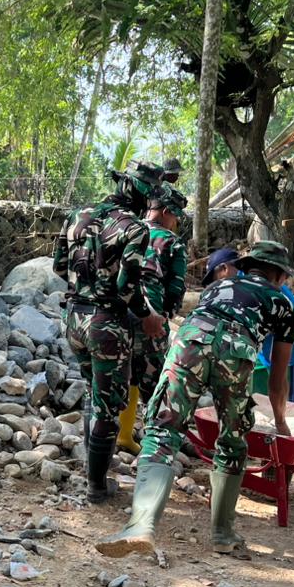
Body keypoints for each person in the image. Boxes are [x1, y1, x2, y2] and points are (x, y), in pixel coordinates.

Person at [96, 241, 294, 559]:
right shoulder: (283, 305)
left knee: (163, 432)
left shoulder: (219, 286)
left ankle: (141, 526)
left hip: (189, 342)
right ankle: (223, 535)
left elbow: (208, 324)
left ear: (247, 267)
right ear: (279, 275)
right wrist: (281, 422)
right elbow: (278, 381)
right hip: (236, 352)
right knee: (232, 441)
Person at [53, 165, 166, 502]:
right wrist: (147, 316)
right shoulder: (135, 228)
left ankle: (95, 475)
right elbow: (127, 285)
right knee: (106, 406)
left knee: (94, 393)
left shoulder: (78, 215)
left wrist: (86, 288)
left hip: (74, 318)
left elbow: (60, 266)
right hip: (108, 324)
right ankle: (97, 487)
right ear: (142, 193)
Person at [118, 185, 188, 455]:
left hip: (120, 313)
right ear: (167, 212)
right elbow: (175, 288)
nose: (176, 223)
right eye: (176, 216)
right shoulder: (171, 242)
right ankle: (156, 443)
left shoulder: (128, 230)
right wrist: (167, 315)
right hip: (152, 317)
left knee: (126, 375)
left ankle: (123, 434)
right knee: (156, 381)